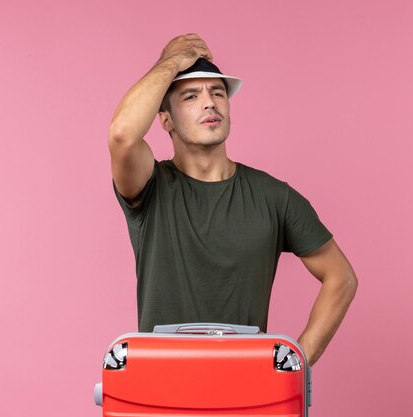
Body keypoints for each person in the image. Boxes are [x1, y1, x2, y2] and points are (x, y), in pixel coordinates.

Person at [108, 33, 357, 366]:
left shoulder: (274, 197)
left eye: (217, 92)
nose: (210, 102)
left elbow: (341, 277)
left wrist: (297, 362)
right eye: (191, 96)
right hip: (160, 387)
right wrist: (170, 62)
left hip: (247, 390)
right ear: (164, 118)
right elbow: (122, 134)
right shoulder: (151, 186)